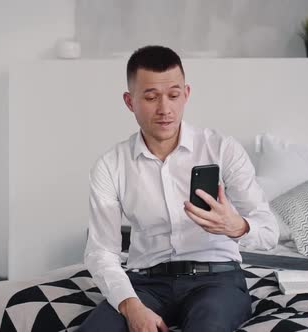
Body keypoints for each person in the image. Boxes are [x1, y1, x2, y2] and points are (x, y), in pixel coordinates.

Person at [79, 45, 278, 332]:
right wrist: (131, 305)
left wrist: (237, 227)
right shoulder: (111, 165)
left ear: (186, 94)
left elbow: (269, 231)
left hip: (216, 281)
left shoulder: (222, 150)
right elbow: (101, 252)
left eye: (173, 95)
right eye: (150, 97)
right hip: (146, 284)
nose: (164, 109)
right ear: (129, 101)